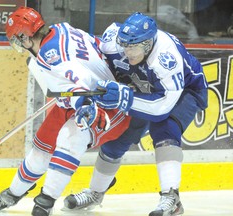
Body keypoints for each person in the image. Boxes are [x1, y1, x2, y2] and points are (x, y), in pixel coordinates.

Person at [0, 7, 134, 216]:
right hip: (73, 101)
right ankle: (13, 193)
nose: (19, 46)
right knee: (40, 151)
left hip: (105, 104)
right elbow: (97, 47)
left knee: (69, 139)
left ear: (24, 37)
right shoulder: (61, 28)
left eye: (17, 41)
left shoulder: (50, 56)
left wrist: (83, 102)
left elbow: (83, 81)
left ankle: (46, 201)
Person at [63, 12, 208, 216]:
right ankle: (96, 193)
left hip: (184, 91)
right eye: (125, 45)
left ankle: (171, 198)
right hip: (142, 88)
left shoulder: (166, 59)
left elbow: (161, 108)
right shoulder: (114, 41)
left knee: (165, 129)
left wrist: (124, 98)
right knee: (117, 139)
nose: (128, 51)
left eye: (134, 47)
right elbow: (89, 50)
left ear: (148, 44)